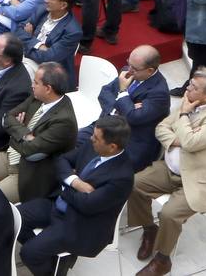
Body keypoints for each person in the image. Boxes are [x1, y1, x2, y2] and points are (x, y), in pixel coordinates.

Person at [128, 68, 206, 276]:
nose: (188, 88)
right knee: (133, 184)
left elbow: (192, 143)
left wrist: (184, 116)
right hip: (170, 170)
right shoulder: (189, 101)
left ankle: (162, 260)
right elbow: (161, 128)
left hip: (198, 179)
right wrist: (178, 140)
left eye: (194, 87)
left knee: (169, 214)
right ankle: (149, 229)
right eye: (190, 84)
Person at [15, 116, 137, 276]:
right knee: (15, 217)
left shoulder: (123, 176)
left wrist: (65, 188)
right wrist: (74, 181)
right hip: (57, 204)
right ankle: (49, 255)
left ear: (112, 146)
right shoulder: (95, 146)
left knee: (28, 253)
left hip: (78, 223)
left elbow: (87, 205)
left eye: (96, 138)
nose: (91, 138)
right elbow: (63, 160)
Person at [0, 61, 78, 203]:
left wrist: (14, 131)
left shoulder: (64, 121)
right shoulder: (37, 97)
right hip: (10, 155)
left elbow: (30, 151)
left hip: (28, 173)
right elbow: (8, 117)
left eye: (35, 82)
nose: (32, 85)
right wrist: (24, 133)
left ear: (48, 88)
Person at [80, 45, 170, 172]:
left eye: (135, 68)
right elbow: (104, 93)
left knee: (96, 168)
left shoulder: (159, 93)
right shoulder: (129, 71)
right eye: (129, 63)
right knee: (73, 141)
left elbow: (133, 118)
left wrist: (122, 92)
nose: (129, 69)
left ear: (149, 71)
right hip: (106, 124)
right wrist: (123, 107)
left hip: (130, 141)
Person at [21, 0, 83, 85]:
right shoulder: (43, 9)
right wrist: (38, 45)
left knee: (17, 74)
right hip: (28, 57)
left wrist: (28, 42)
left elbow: (49, 58)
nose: (46, 0)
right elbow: (19, 30)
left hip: (49, 71)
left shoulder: (73, 31)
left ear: (63, 5)